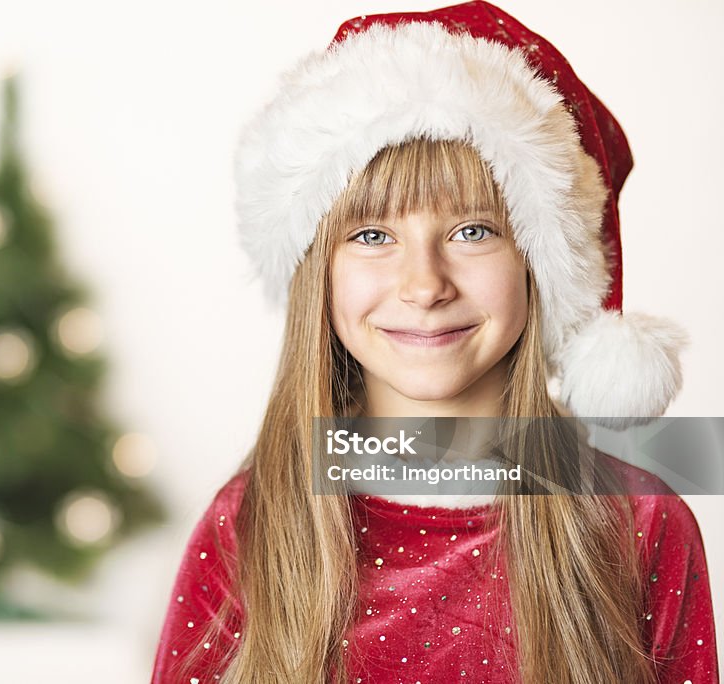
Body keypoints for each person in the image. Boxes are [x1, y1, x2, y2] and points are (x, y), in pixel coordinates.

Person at [150, 2, 719, 682]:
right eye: (372, 236)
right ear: (318, 274)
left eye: (472, 231)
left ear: (536, 262)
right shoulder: (244, 529)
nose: (424, 285)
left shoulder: (636, 523)